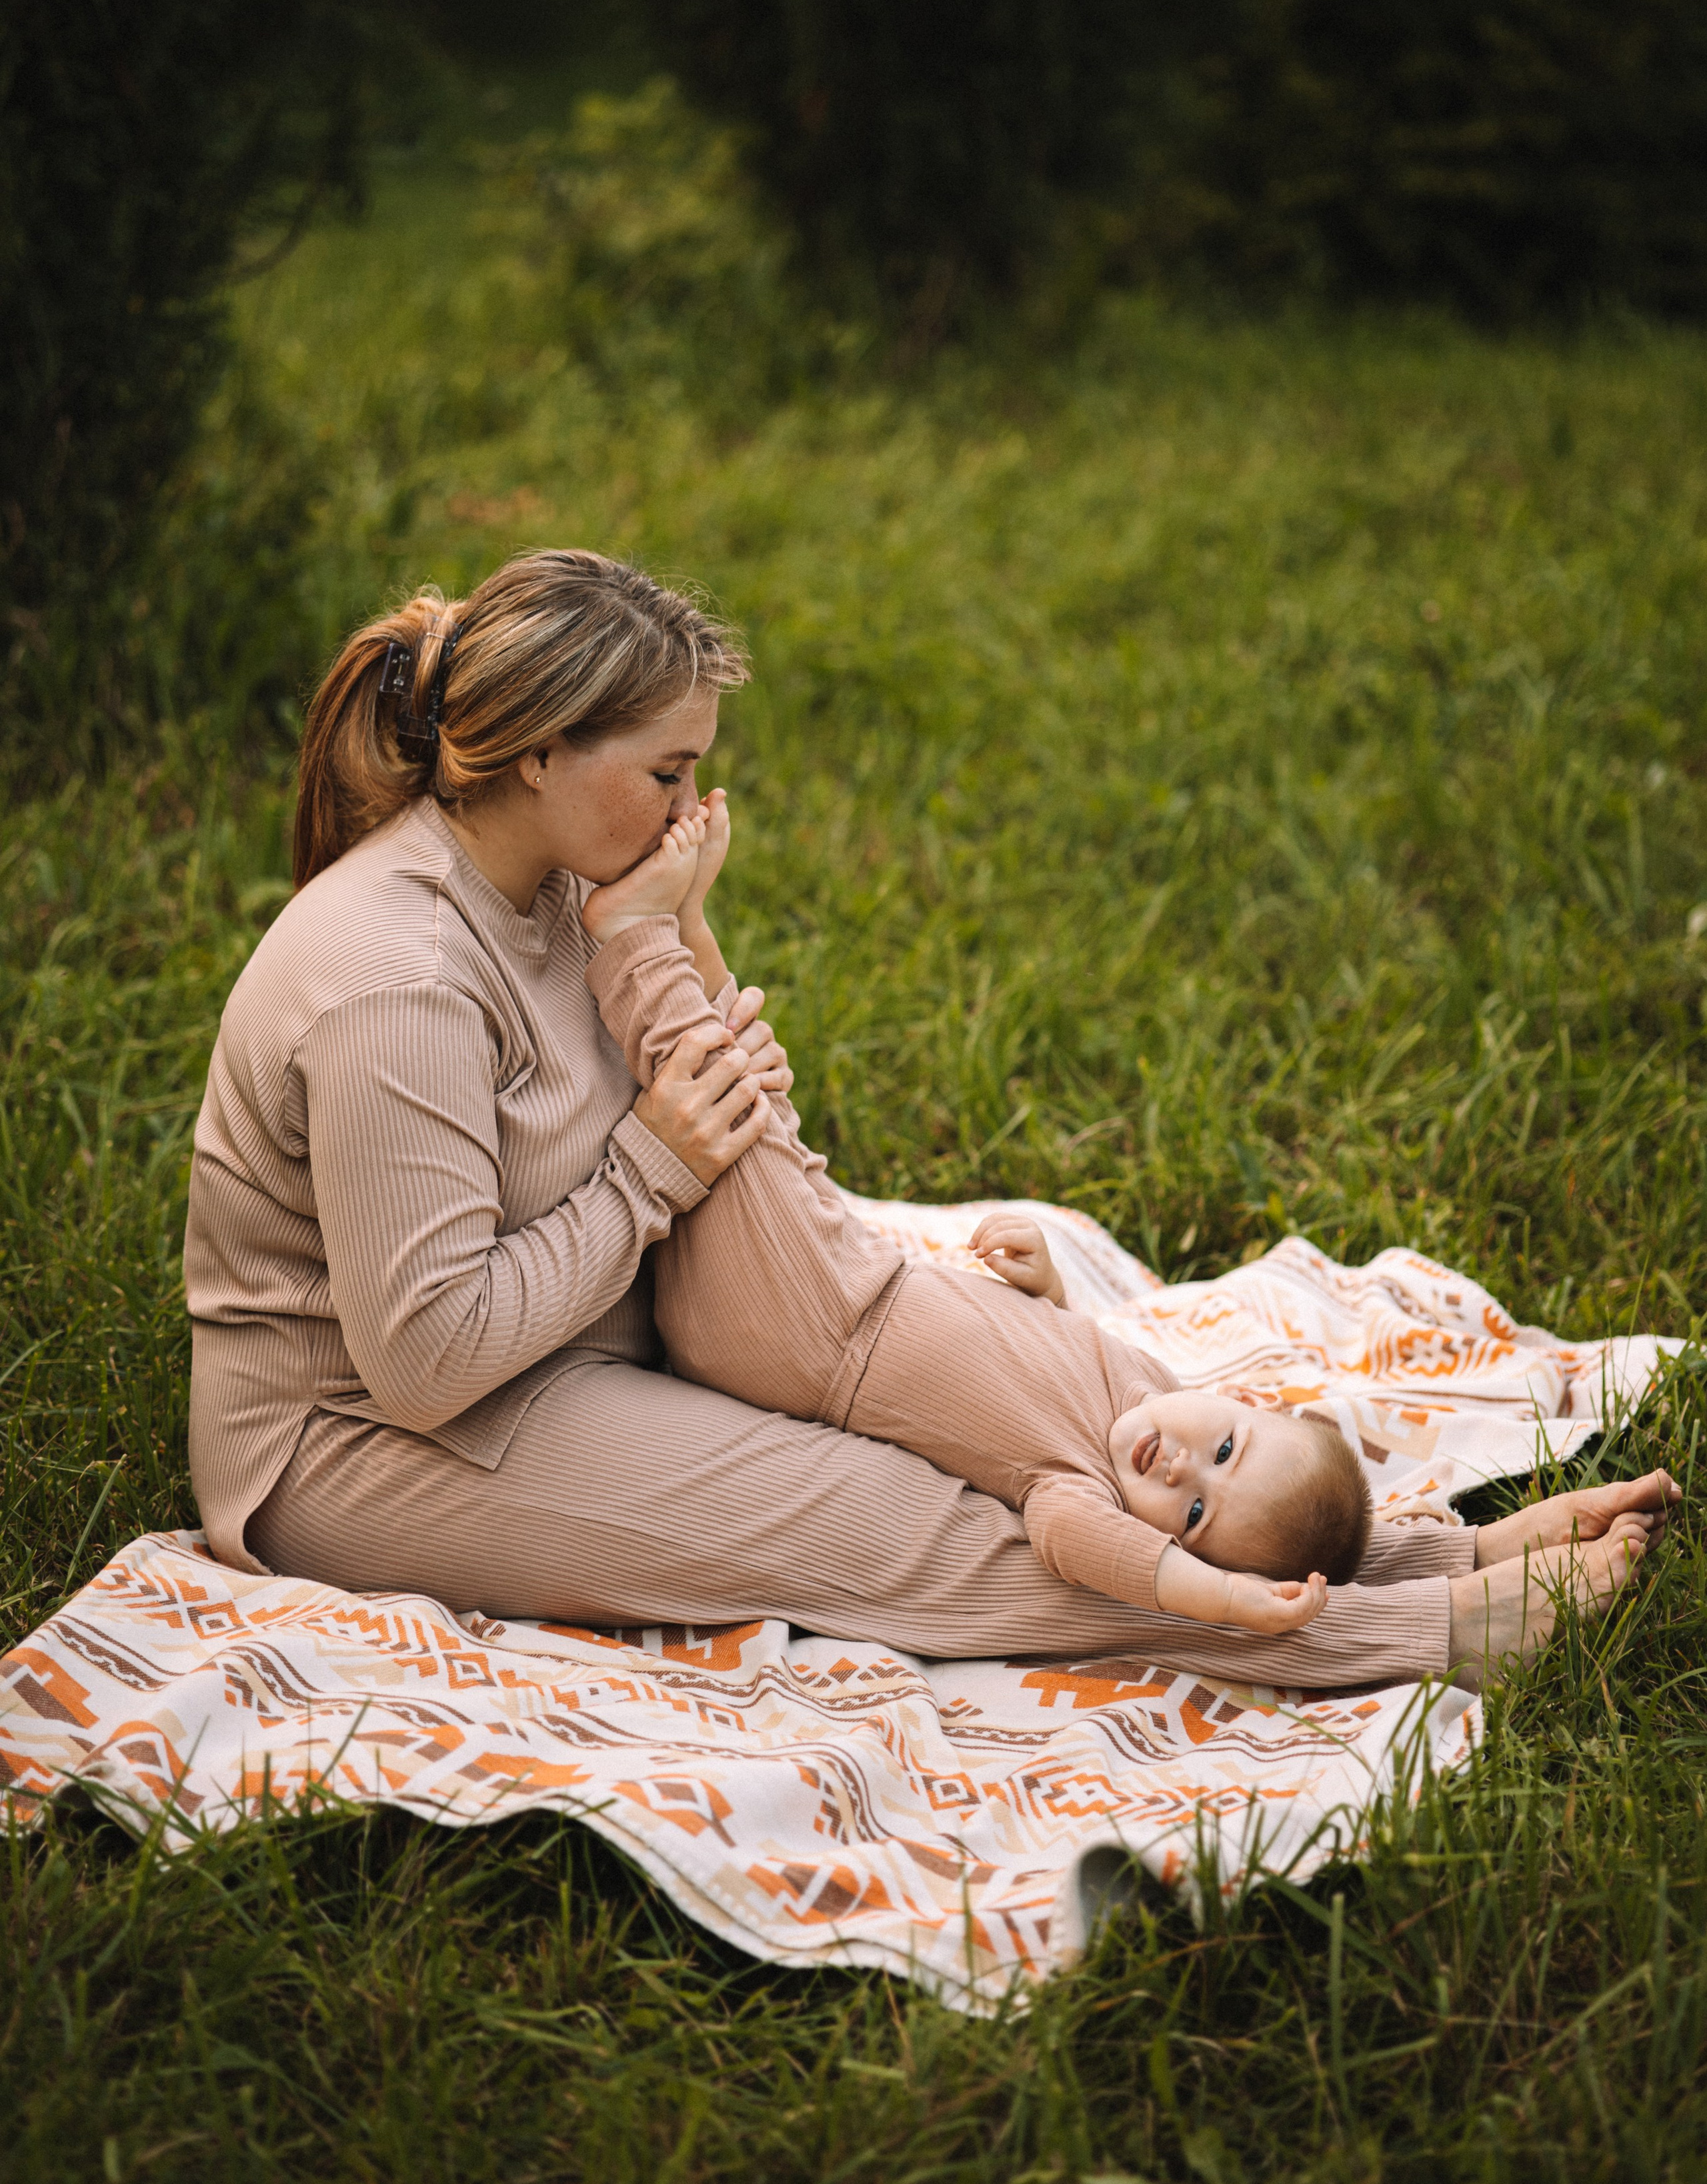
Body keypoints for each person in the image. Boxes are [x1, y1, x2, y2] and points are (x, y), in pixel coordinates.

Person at [183, 548, 1671, 1695]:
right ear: (535, 756)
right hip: (363, 1442)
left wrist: (702, 1039)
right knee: (909, 1523)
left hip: (581, 1337)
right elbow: (426, 1354)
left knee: (1024, 1412)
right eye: (668, 773)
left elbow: (689, 1111)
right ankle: (1404, 1636)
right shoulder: (391, 981)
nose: (693, 808)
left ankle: (1415, 1550)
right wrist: (653, 1168)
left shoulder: (569, 883)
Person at [579, 808, 1375, 1636]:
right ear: (1246, 1404)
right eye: (1223, 1451)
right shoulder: (1148, 1385)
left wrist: (1222, 1601)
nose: (1177, 1470)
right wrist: (1045, 1288)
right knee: (767, 1116)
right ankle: (685, 934)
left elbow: (1082, 1546)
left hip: (806, 1338)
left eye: (1195, 1516)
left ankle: (635, 944)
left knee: (741, 1137)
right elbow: (1063, 1355)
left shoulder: (1074, 1491)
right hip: (858, 1281)